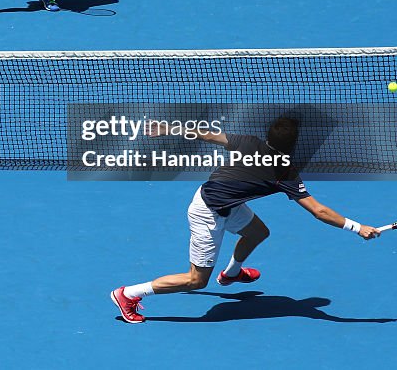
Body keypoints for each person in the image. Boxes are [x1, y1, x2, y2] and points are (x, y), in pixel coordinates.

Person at [110, 117, 380, 324]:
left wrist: (169, 128)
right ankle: (129, 293)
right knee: (196, 280)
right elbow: (318, 211)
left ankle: (231, 273)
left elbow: (205, 134)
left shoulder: (248, 142)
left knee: (258, 233)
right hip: (208, 213)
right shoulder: (284, 172)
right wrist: (358, 228)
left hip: (225, 201)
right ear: (293, 144)